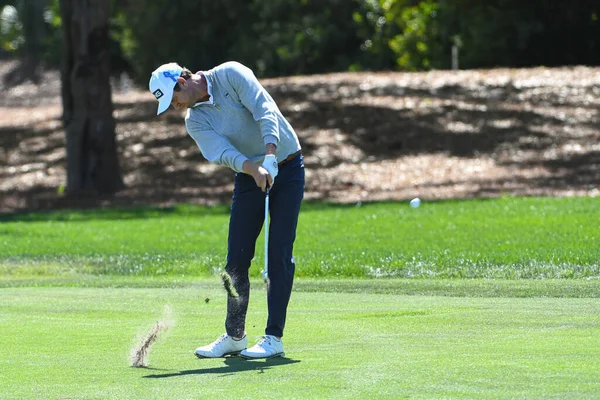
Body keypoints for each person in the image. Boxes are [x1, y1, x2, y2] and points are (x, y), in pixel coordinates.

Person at [149, 61, 304, 359]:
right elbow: (222, 153)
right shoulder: (194, 120)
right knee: (236, 259)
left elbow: (264, 108)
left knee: (278, 253)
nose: (174, 106)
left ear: (182, 81)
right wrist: (255, 168)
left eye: (173, 98)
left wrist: (270, 153)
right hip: (249, 175)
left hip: (287, 163)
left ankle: (273, 338)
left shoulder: (231, 75)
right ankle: (235, 336)